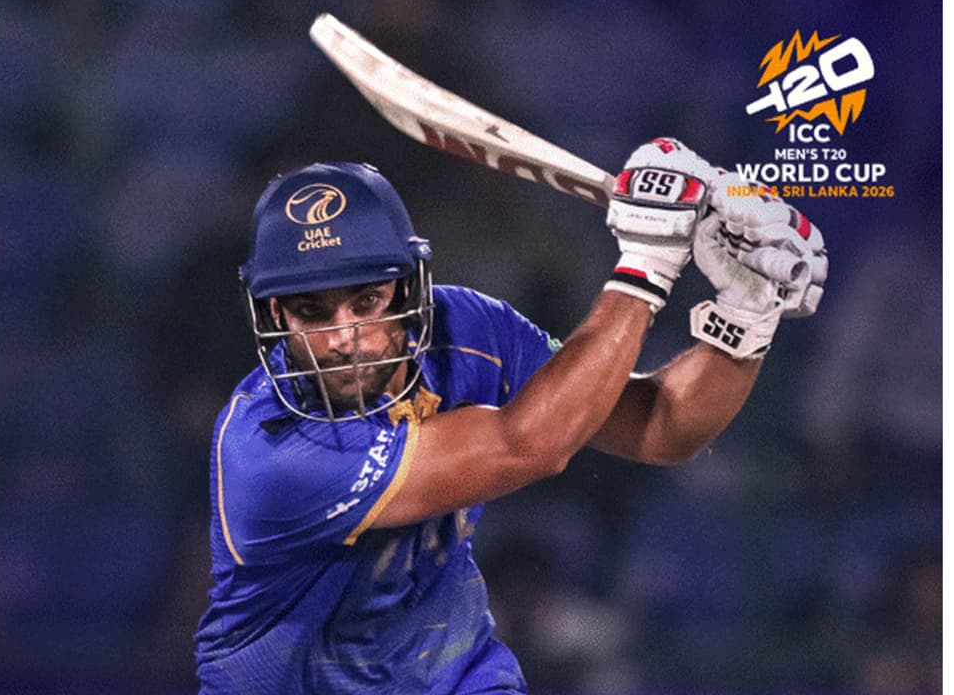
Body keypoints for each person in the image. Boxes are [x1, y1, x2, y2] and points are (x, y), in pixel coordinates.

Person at [193, 140, 827, 693]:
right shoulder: (266, 450)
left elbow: (659, 429)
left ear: (408, 288)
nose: (344, 338)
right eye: (311, 312)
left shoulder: (466, 329)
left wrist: (746, 312)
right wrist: (647, 266)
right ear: (274, 314)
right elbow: (530, 445)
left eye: (367, 301)